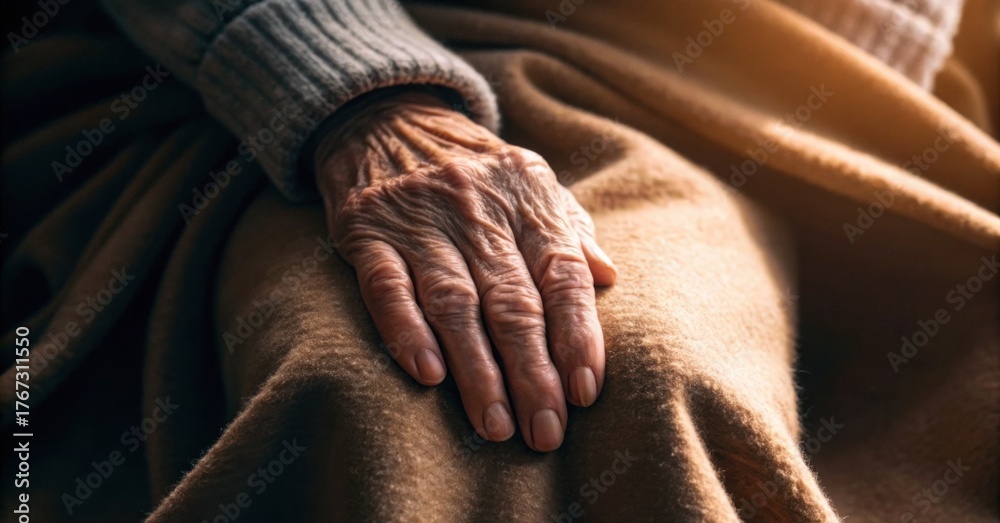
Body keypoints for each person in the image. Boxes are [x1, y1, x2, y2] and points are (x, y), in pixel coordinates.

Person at [97, 0, 964, 453]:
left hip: (763, 75)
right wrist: (366, 99)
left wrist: (799, 99)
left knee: (652, 369)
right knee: (375, 396)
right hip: (298, 53)